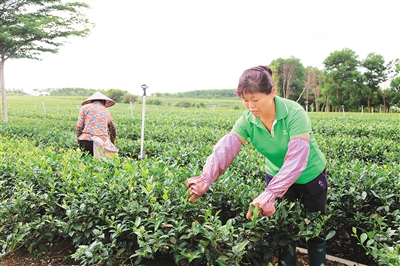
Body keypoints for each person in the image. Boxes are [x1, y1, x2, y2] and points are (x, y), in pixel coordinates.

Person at [185, 65, 328, 266]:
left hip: (310, 175)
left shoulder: (295, 113)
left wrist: (270, 194)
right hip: (275, 175)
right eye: (245, 100)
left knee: (315, 227)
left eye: (255, 100)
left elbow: (297, 160)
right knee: (282, 229)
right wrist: (206, 178)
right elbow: (226, 148)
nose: (250, 106)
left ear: (272, 93)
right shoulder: (247, 120)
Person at [76, 91, 118, 158]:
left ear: (91, 101)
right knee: (98, 164)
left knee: (85, 163)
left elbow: (79, 126)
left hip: (86, 140)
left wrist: (79, 138)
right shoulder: (106, 110)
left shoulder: (84, 108)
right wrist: (112, 141)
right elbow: (112, 128)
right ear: (103, 102)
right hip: (101, 142)